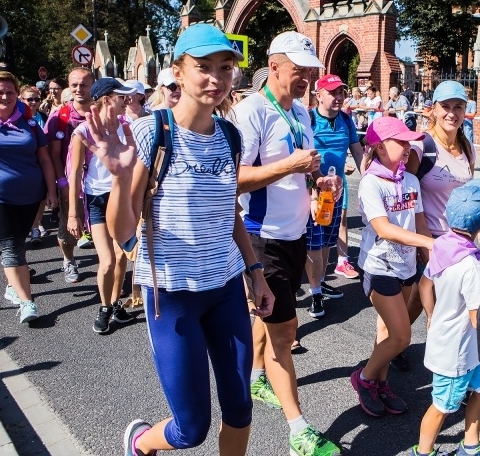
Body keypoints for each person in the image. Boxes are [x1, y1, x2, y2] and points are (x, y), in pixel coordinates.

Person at [79, 23, 273, 456]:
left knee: (241, 406)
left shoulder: (230, 136)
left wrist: (255, 272)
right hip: (171, 295)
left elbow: (229, 214)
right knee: (191, 429)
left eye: (225, 68)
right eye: (202, 67)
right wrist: (119, 177)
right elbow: (124, 230)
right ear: (178, 73)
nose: (215, 78)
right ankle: (140, 443)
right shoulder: (152, 133)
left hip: (225, 288)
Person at [233, 30, 342, 456]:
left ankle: (256, 374)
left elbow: (305, 167)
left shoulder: (300, 112)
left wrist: (319, 179)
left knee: (268, 314)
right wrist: (289, 165)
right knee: (285, 332)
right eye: (300, 71)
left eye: (311, 72)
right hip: (261, 238)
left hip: (296, 234)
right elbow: (235, 178)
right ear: (274, 66)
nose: (307, 79)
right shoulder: (251, 111)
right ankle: (299, 431)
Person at [393, 80, 480, 373]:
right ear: (433, 109)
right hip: (431, 238)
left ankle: (452, 365)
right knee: (423, 299)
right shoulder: (423, 147)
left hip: (460, 240)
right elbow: (408, 194)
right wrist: (422, 241)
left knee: (448, 301)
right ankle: (396, 342)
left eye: (458, 107)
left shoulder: (466, 147)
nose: (452, 113)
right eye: (445, 106)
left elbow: (468, 195)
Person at [351, 117, 433, 417]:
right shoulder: (371, 183)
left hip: (406, 266)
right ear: (380, 146)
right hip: (379, 267)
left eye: (409, 141)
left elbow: (420, 220)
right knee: (401, 337)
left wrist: (429, 249)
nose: (408, 146)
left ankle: (381, 383)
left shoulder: (410, 181)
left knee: (386, 330)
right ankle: (364, 378)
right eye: (401, 141)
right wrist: (430, 243)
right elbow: (383, 228)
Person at [412, 179, 480, 456]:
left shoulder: (441, 247)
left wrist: (431, 315)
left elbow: (425, 285)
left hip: (463, 346)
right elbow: (477, 319)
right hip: (457, 353)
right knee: (443, 406)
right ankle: (423, 452)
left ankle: (470, 448)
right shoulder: (470, 267)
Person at [0, 72, 57, 324]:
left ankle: (13, 285)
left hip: (30, 196)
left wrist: (52, 191)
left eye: (9, 92)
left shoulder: (29, 122)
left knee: (17, 244)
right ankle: (27, 302)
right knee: (12, 246)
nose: (4, 96)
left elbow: (44, 159)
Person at [68, 78, 138, 334]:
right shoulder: (83, 131)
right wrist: (73, 213)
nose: (127, 101)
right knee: (107, 260)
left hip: (120, 196)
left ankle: (115, 305)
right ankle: (105, 306)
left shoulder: (128, 125)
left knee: (121, 256)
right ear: (107, 99)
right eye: (123, 97)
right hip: (96, 198)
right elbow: (75, 173)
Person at [304, 74, 364, 318]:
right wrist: (312, 190)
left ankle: (321, 283)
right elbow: (302, 155)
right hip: (313, 191)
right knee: (314, 245)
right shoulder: (308, 119)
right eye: (333, 92)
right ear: (319, 95)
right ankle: (315, 292)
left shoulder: (347, 121)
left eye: (341, 92)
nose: (339, 97)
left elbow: (359, 154)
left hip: (335, 193)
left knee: (328, 241)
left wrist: (372, 180)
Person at [45, 67, 94, 283]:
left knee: (104, 228)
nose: (79, 89)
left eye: (84, 84)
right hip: (72, 182)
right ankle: (68, 260)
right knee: (69, 226)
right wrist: (62, 182)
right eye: (74, 84)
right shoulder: (60, 117)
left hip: (99, 181)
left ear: (92, 85)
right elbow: (54, 155)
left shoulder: (101, 112)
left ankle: (109, 271)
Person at [20, 85, 50, 245]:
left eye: (36, 99)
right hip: (25, 164)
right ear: (21, 100)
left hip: (42, 162)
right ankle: (30, 226)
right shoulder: (17, 118)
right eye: (29, 99)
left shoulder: (44, 117)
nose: (33, 102)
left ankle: (36, 226)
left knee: (41, 197)